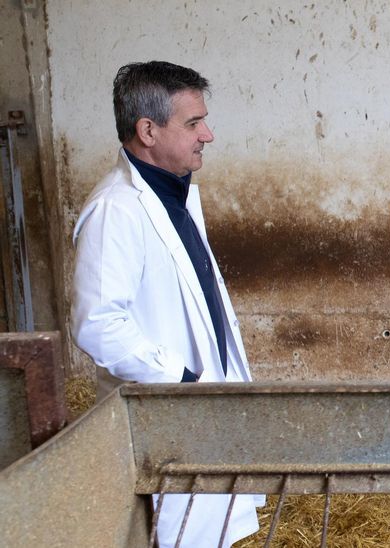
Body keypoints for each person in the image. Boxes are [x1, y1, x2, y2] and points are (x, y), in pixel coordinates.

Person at [70, 61, 262, 548]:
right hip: (167, 420)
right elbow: (97, 324)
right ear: (148, 130)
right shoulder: (117, 210)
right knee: (177, 533)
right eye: (193, 123)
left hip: (196, 413)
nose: (208, 134)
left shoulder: (173, 196)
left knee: (209, 529)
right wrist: (179, 379)